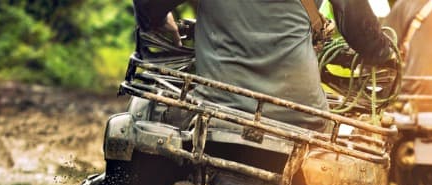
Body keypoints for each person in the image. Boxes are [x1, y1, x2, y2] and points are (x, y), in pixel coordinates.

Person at [133, 0, 394, 131]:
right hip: (303, 116)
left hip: (216, 111)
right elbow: (362, 33)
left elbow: (148, 5)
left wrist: (159, 19)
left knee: (142, 110)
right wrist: (384, 52)